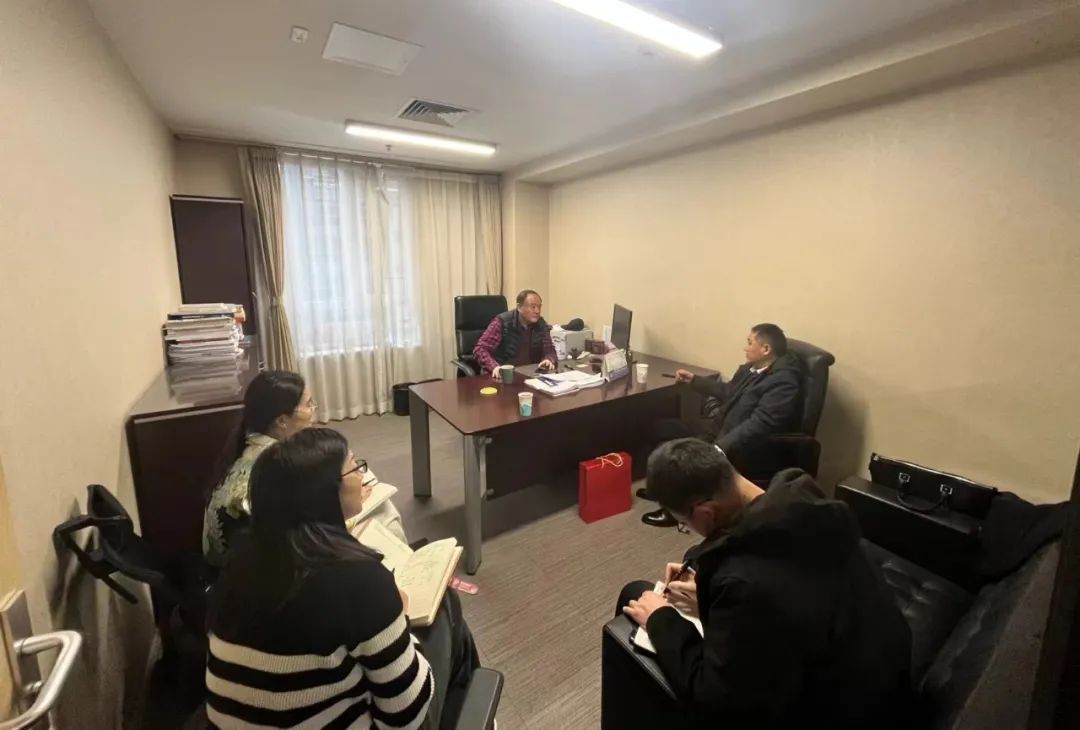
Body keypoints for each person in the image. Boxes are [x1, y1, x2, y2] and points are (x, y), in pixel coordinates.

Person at [619, 439, 912, 729]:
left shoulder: (746, 584)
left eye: (683, 524)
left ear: (706, 512)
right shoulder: (806, 506)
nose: (687, 530)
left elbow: (716, 701)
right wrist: (710, 596)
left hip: (839, 712)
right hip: (879, 675)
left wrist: (661, 619)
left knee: (636, 596)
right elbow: (791, 603)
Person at [206, 428, 481, 729]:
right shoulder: (358, 581)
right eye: (355, 467)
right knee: (445, 607)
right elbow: (405, 717)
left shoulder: (239, 563)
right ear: (326, 493)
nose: (363, 476)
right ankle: (471, 706)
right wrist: (402, 622)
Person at [202, 370, 405, 567]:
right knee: (385, 516)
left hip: (235, 562)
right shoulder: (277, 465)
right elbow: (304, 528)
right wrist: (347, 503)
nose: (313, 411)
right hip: (266, 567)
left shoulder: (251, 445)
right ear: (282, 421)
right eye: (308, 404)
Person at [641, 323, 802, 527]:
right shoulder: (752, 369)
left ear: (766, 349)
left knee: (684, 457)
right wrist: (694, 380)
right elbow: (729, 391)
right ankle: (661, 490)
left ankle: (674, 511)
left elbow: (761, 423)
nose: (745, 347)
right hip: (718, 426)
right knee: (660, 428)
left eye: (749, 342)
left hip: (743, 443)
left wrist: (721, 447)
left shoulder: (783, 382)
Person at [472, 289, 558, 378]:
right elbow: (480, 349)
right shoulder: (502, 322)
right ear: (519, 307)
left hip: (529, 375)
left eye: (539, 307)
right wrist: (494, 367)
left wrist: (548, 359)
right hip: (503, 375)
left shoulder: (541, 324)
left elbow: (549, 349)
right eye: (533, 307)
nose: (537, 311)